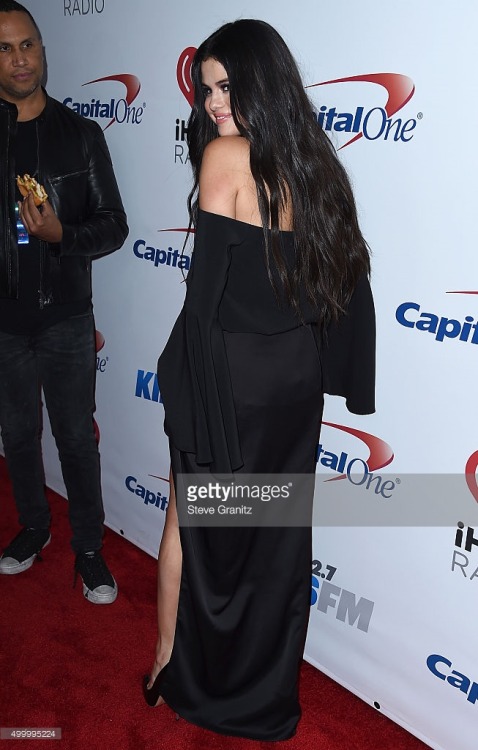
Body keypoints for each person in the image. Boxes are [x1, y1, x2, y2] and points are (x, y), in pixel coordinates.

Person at [144, 19, 375, 740]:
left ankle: (168, 664)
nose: (213, 102)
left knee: (191, 517)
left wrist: (188, 395)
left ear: (259, 81)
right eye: (207, 88)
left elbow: (203, 297)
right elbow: (349, 284)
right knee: (274, 542)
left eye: (226, 85)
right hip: (293, 385)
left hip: (231, 380)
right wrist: (347, 381)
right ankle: (265, 694)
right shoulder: (317, 164)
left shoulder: (226, 158)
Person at [0, 2, 128, 605]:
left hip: (67, 320)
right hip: (3, 325)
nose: (19, 59)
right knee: (19, 435)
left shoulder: (81, 134)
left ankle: (90, 549)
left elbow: (114, 226)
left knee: (76, 438)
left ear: (43, 49)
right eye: (4, 48)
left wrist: (60, 237)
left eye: (27, 45)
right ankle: (32, 526)